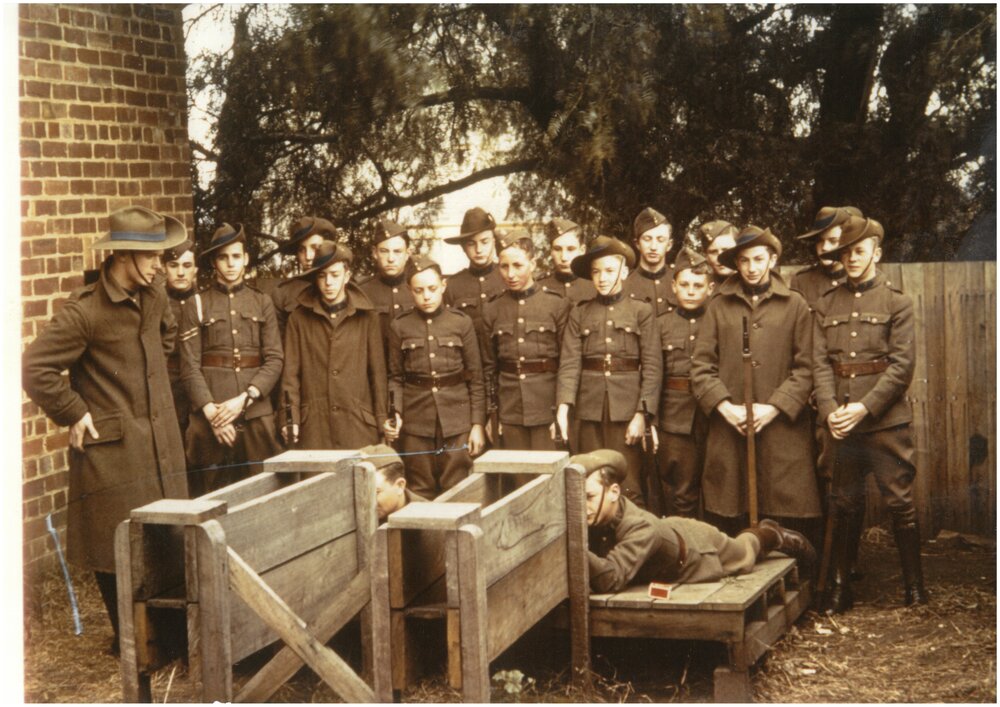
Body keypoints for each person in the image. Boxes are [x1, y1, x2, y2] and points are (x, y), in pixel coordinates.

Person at [23, 205, 189, 653]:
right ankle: (131, 641)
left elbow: (166, 337)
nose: (160, 265)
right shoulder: (84, 312)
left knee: (167, 537)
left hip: (160, 443)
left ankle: (168, 637)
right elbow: (34, 367)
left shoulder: (155, 296)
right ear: (122, 255)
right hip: (113, 452)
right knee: (117, 548)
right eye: (151, 256)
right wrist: (74, 411)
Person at [812, 215, 926, 611]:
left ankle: (915, 589)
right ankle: (840, 588)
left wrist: (864, 407)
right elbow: (820, 363)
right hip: (841, 423)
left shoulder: (897, 302)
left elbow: (901, 367)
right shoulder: (826, 304)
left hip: (884, 422)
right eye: (846, 253)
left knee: (899, 501)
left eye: (860, 251)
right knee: (842, 503)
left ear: (877, 253)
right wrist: (829, 410)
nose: (852, 259)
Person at [690, 226, 821, 540]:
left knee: (785, 515)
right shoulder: (719, 305)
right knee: (730, 510)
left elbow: (806, 368)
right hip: (730, 427)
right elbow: (701, 366)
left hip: (782, 429)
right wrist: (726, 408)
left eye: (759, 259)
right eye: (744, 260)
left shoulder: (795, 305)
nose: (751, 267)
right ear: (736, 263)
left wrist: (773, 408)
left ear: (772, 260)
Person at [577, 450, 815, 594]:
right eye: (578, 498)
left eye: (589, 497)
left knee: (744, 554)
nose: (583, 505)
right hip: (667, 533)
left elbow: (610, 580)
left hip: (695, 549)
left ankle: (771, 533)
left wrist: (573, 545)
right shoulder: (598, 516)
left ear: (614, 492)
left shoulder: (641, 527)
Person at [556, 236, 662, 507]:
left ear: (624, 272)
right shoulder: (580, 313)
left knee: (628, 483)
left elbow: (652, 367)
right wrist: (564, 408)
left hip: (626, 412)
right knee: (590, 481)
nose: (602, 278)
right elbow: (570, 363)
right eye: (596, 272)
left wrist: (642, 414)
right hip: (588, 411)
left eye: (609, 270)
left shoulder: (641, 311)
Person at [180, 223, 283, 495]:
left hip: (255, 413)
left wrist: (245, 399)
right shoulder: (197, 304)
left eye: (236, 256)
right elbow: (189, 366)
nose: (230, 263)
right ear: (214, 262)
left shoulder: (262, 302)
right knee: (210, 496)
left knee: (264, 492)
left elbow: (274, 359)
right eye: (223, 257)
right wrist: (213, 415)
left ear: (246, 259)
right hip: (209, 419)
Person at [387, 256, 486, 498]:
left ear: (443, 285)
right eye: (419, 290)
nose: (426, 296)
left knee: (458, 486)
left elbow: (476, 378)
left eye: (432, 288)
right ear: (409, 290)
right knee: (419, 487)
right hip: (416, 421)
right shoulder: (400, 326)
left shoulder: (461, 323)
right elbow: (395, 377)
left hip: (457, 421)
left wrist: (477, 424)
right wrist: (396, 412)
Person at [281, 241, 388, 449]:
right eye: (322, 276)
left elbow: (378, 374)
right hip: (315, 427)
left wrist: (382, 419)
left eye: (335, 275)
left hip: (358, 425)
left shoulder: (367, 317)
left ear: (347, 276)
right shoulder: (299, 318)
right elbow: (290, 376)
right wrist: (289, 418)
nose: (328, 282)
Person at [481, 229, 571, 451]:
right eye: (504, 266)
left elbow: (567, 363)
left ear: (533, 264)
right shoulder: (492, 309)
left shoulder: (556, 304)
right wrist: (491, 413)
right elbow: (489, 368)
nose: (510, 274)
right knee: (517, 470)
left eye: (518, 266)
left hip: (547, 407)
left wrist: (562, 409)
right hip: (509, 409)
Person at [655, 247, 714, 517]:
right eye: (685, 285)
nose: (691, 291)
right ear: (673, 286)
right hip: (674, 418)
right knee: (679, 491)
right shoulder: (660, 325)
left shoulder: (717, 322)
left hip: (711, 416)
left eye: (698, 286)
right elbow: (653, 375)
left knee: (715, 486)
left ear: (710, 289)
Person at [442, 207, 505, 338]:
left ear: (494, 242)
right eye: (471, 244)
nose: (479, 249)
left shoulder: (508, 276)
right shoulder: (452, 286)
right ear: (463, 247)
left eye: (485, 242)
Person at [357, 218, 415, 355]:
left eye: (397, 251)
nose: (391, 258)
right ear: (374, 253)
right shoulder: (362, 292)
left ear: (408, 254)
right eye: (384, 251)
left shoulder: (418, 289)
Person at [271, 216, 338, 334]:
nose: (308, 256)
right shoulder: (283, 294)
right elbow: (277, 340)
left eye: (316, 248)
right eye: (301, 250)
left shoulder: (343, 287)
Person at [163, 238, 198, 441]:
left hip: (200, 391)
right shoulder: (157, 305)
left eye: (187, 266)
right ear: (164, 268)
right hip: (169, 389)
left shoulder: (204, 302)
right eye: (174, 265)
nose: (181, 272)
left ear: (195, 270)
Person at [791, 206, 859, 310]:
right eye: (820, 241)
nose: (825, 247)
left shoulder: (861, 278)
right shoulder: (801, 281)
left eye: (833, 241)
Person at [623, 207, 678, 315]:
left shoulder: (681, 282)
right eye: (647, 239)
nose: (653, 247)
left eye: (660, 240)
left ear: (669, 245)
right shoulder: (624, 284)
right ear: (637, 244)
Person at [359, 443, 428, 522]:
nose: (366, 501)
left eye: (375, 492)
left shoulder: (427, 519)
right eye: (360, 493)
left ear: (400, 486)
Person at [536, 217, 596, 303]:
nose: (564, 257)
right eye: (557, 249)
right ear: (551, 251)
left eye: (570, 249)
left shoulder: (596, 286)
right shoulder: (539, 287)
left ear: (582, 250)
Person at [697, 220, 738, 287]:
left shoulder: (752, 284)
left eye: (726, 250)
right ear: (706, 256)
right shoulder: (702, 287)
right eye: (713, 252)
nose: (720, 258)